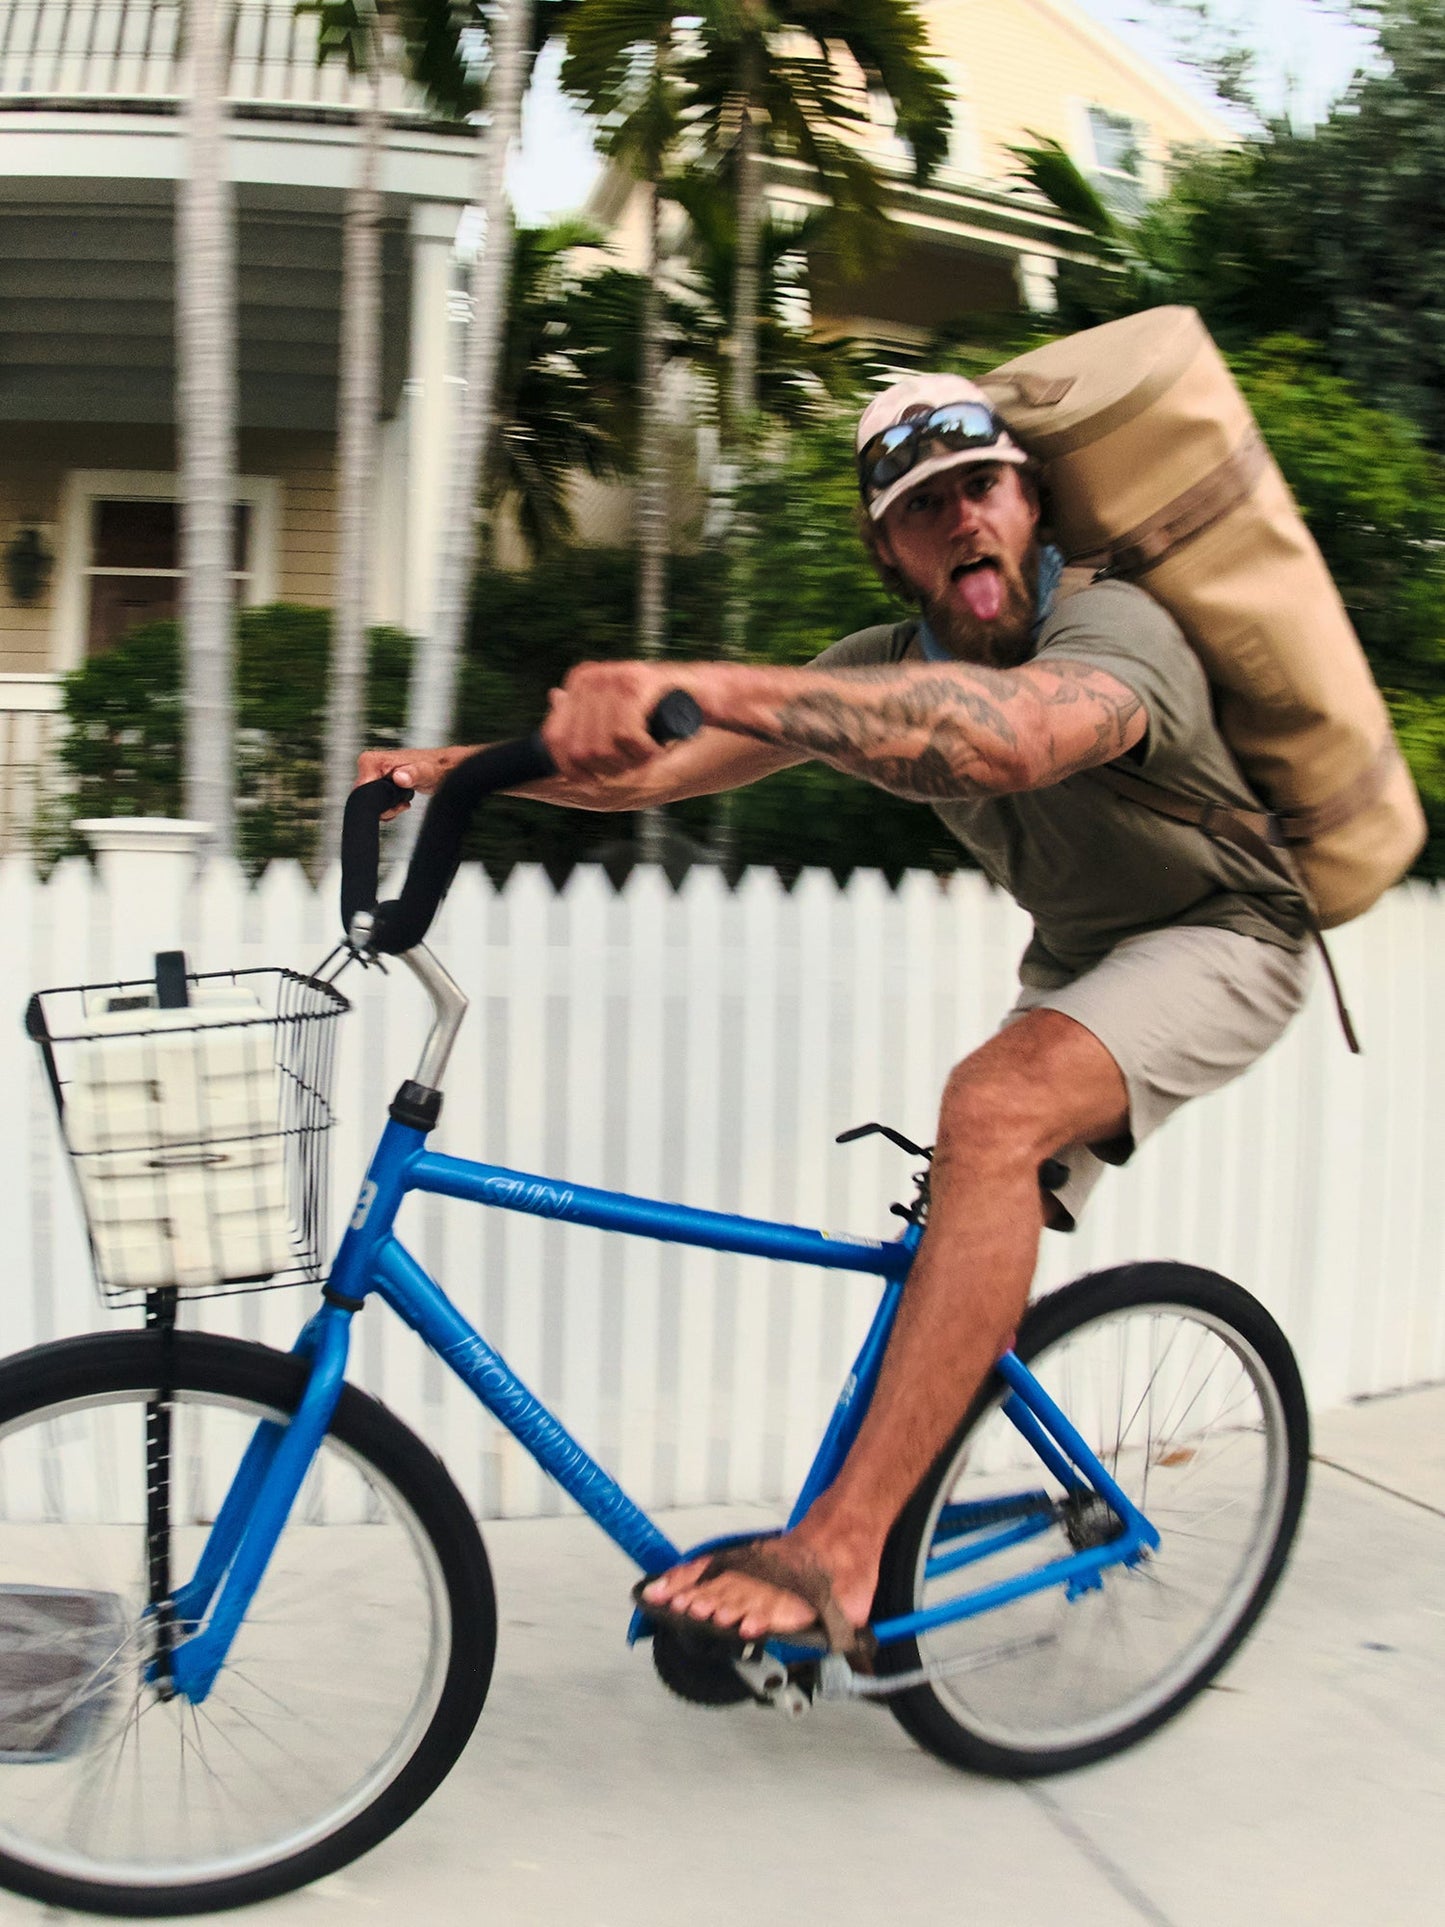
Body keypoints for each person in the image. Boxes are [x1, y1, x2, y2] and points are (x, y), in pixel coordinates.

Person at [357, 373, 1313, 1666]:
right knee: (957, 1225)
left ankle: (843, 1551)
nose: (960, 522)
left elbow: (1018, 737)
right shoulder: (877, 668)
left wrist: (703, 678)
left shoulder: (1116, 625)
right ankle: (910, 1508)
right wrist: (455, 770)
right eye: (921, 508)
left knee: (990, 1109)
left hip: (1223, 936)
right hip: (1081, 962)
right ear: (885, 543)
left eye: (980, 488)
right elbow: (657, 766)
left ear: (1024, 501)